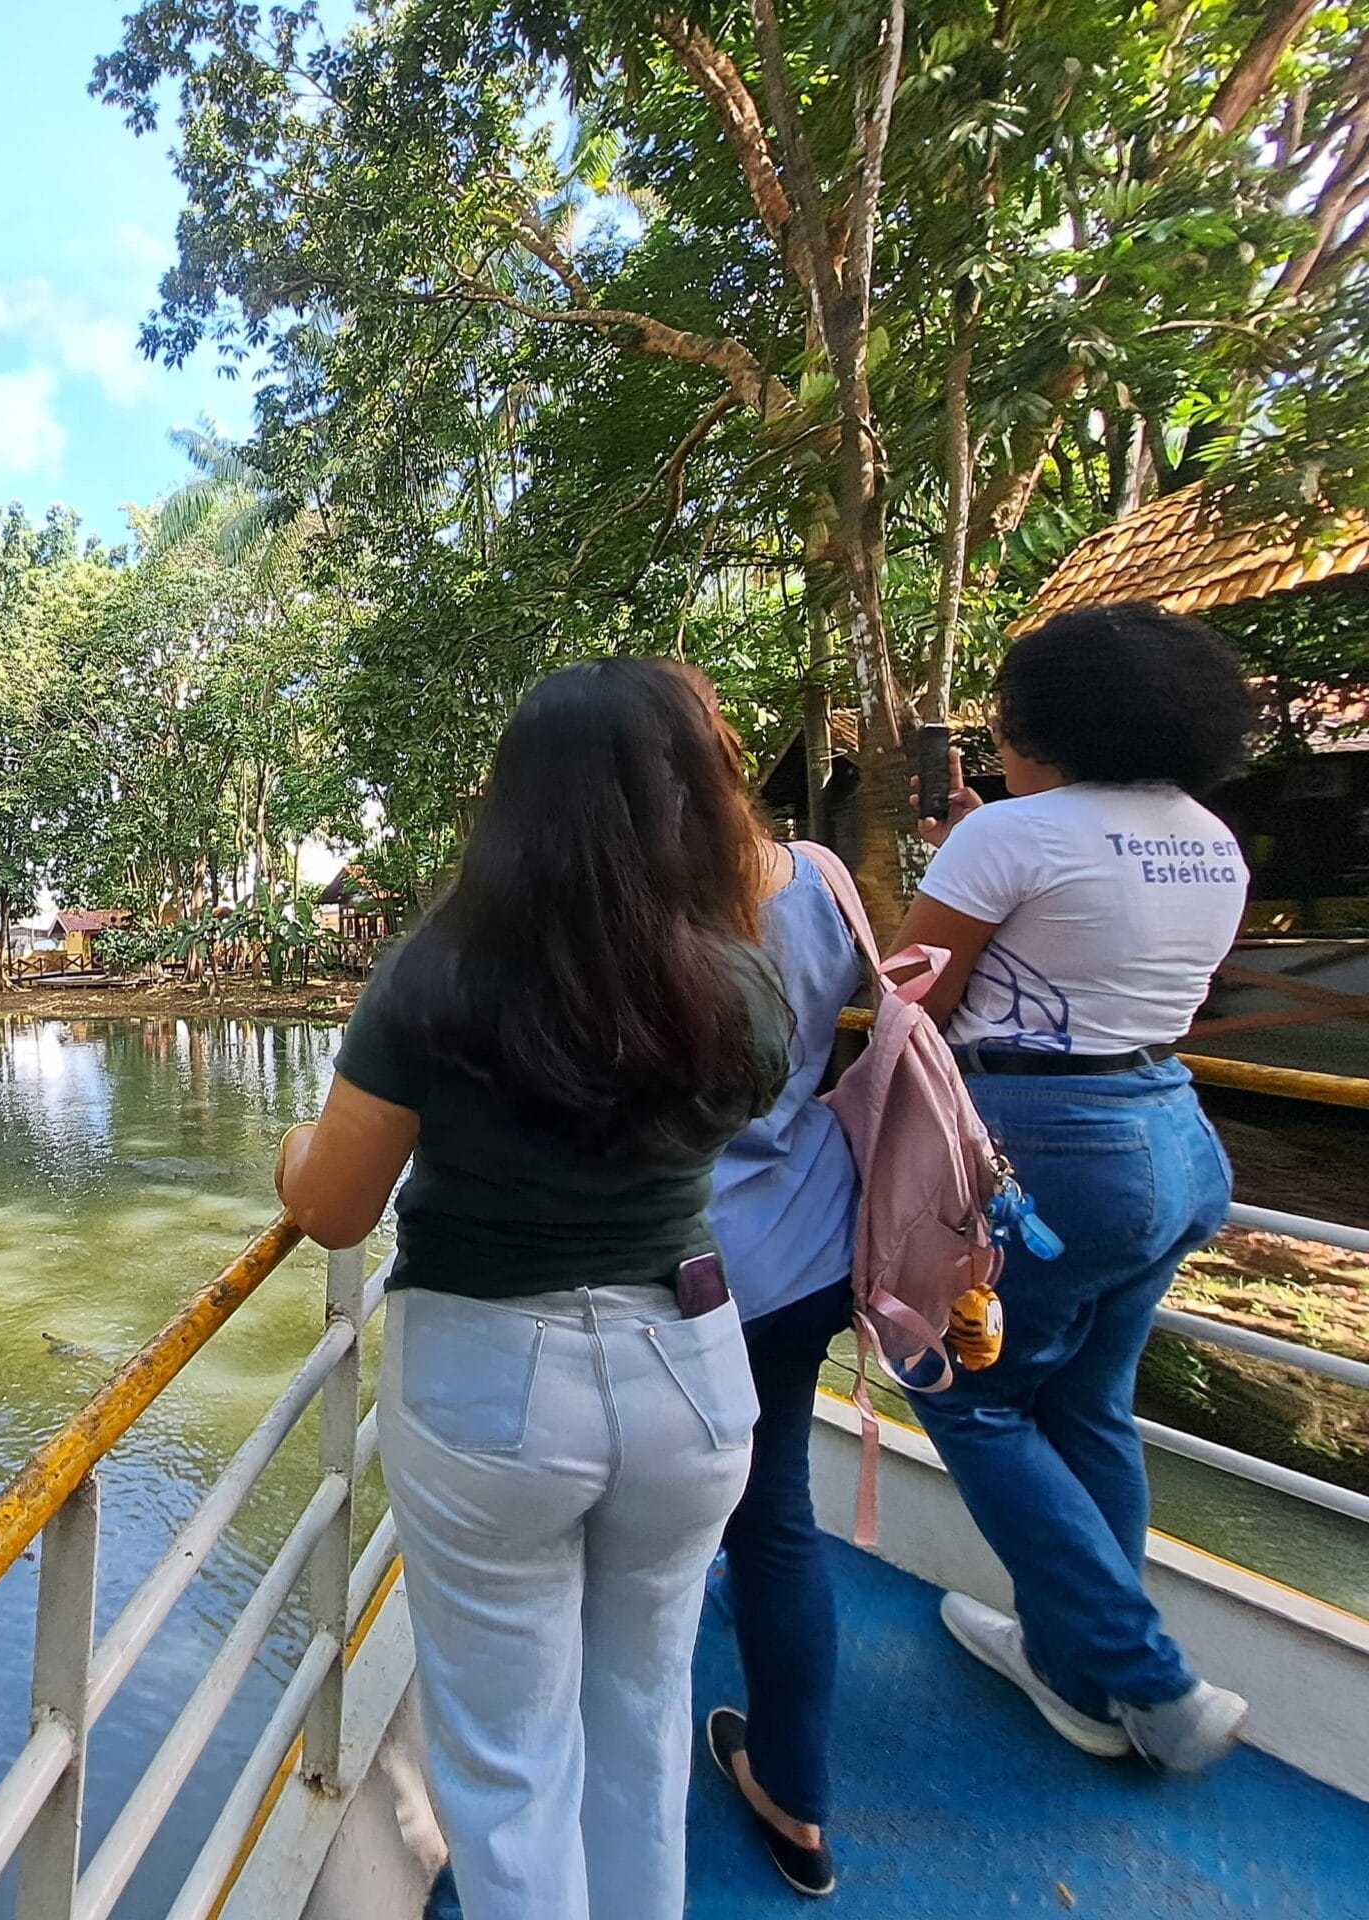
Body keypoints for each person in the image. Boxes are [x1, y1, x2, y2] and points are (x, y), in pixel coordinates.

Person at [276, 659, 787, 1920]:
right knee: (642, 1707)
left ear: (513, 800)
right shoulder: (739, 980)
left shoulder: (438, 973)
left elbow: (334, 1204)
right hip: (692, 1370)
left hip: (491, 1382)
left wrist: (292, 1149)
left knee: (506, 1761)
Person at [900, 601, 1255, 1773]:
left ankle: (1152, 1679)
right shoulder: (1210, 836)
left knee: (966, 1397)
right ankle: (1070, 1668)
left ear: (1045, 727)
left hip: (1046, 1158)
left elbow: (911, 1002)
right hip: (1171, 1136)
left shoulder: (1006, 837)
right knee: (1088, 1405)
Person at [689, 687, 862, 1900]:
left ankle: (609, 1811)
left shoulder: (628, 908)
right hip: (805, 1247)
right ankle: (795, 1797)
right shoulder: (823, 878)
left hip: (678, 1267)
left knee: (623, 1528)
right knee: (775, 1514)